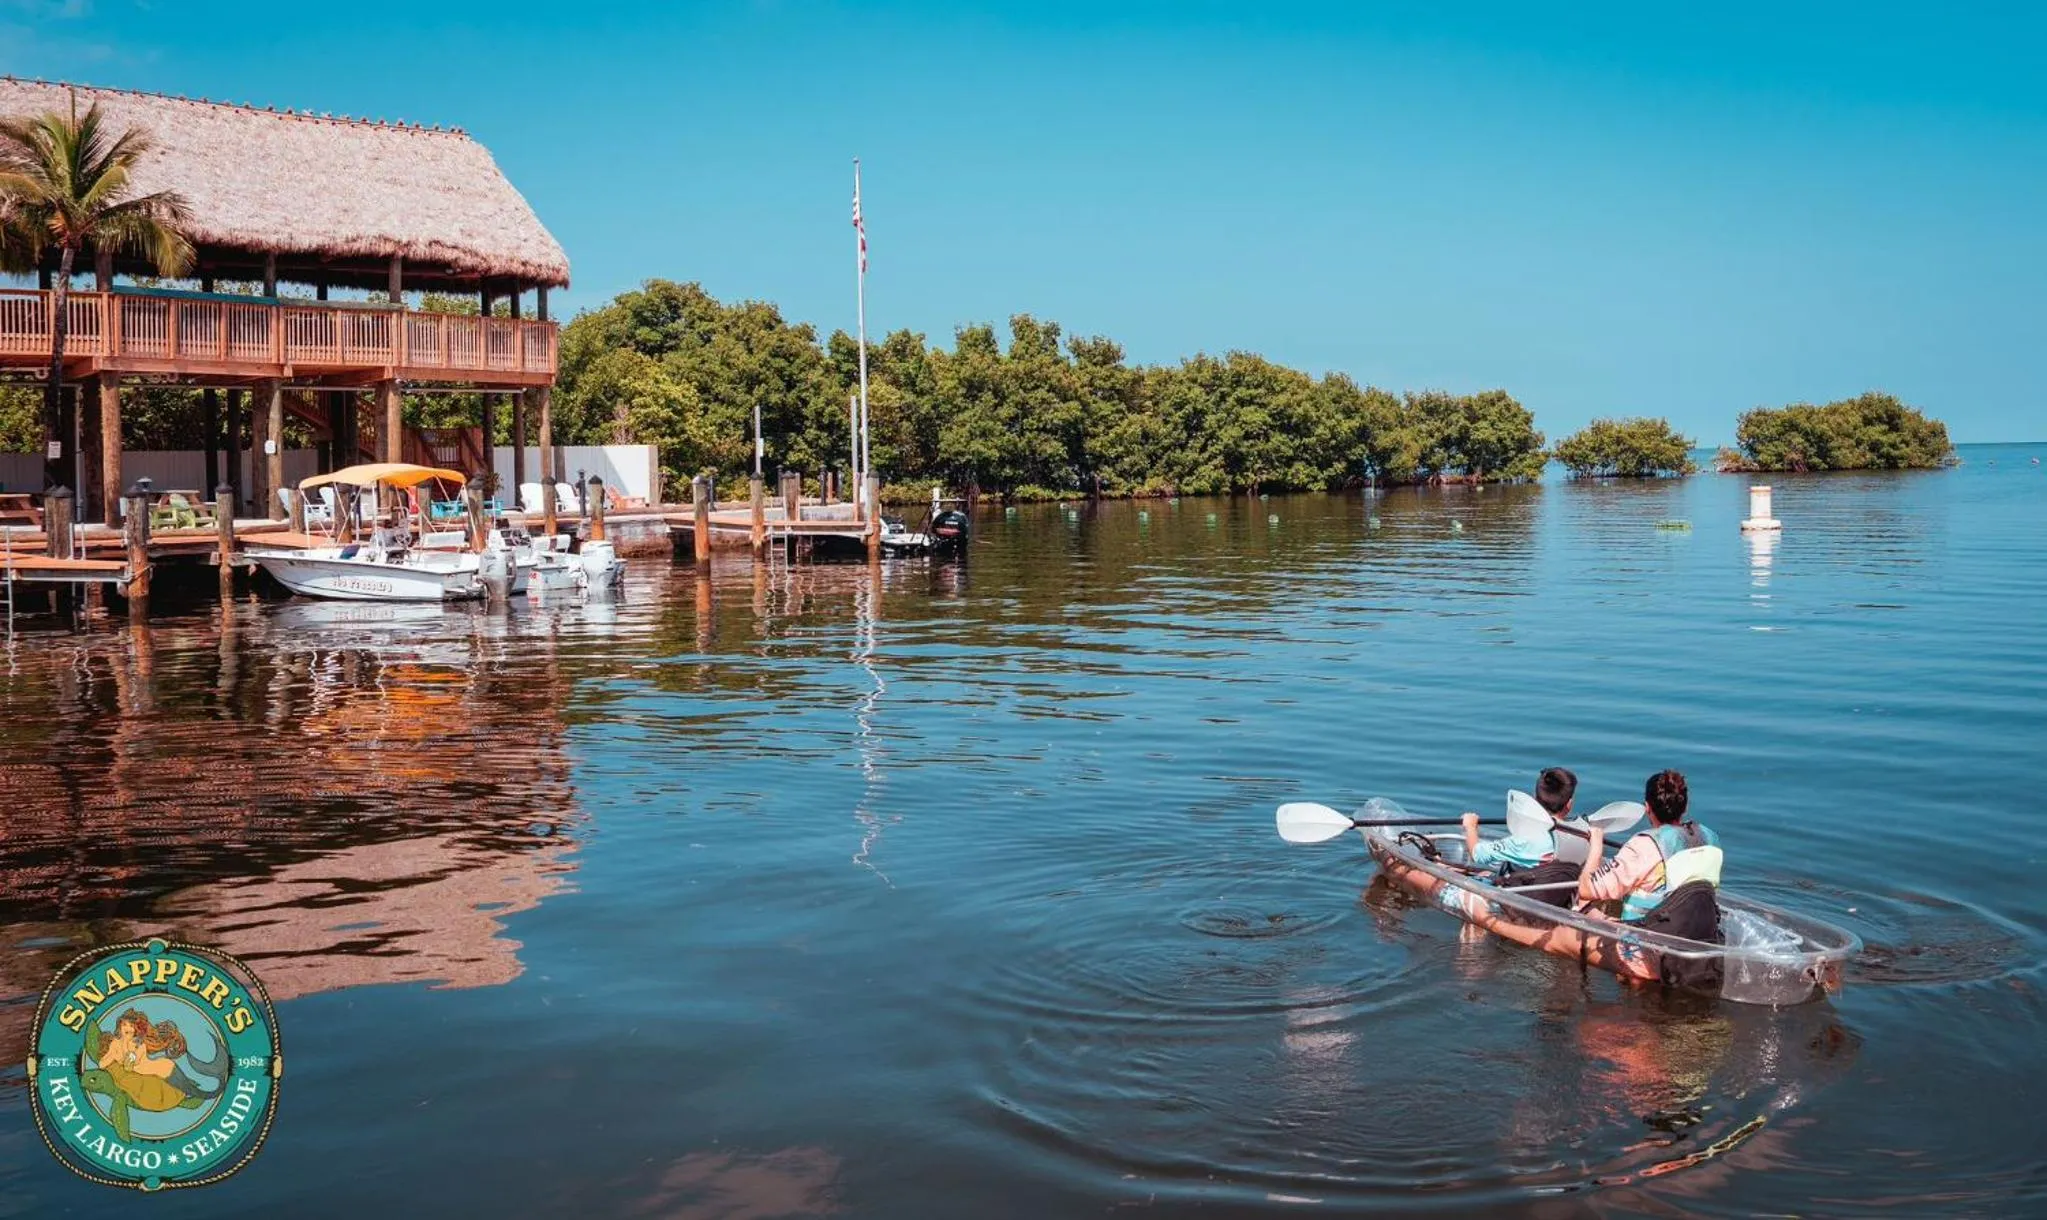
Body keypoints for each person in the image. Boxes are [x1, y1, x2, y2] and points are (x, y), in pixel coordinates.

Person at [1576, 770, 1721, 920]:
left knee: (1584, 904)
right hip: (1696, 927)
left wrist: (1596, 846)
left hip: (1647, 934)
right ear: (1685, 808)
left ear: (1647, 808)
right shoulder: (1709, 838)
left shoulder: (1643, 846)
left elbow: (1586, 889)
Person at [1460, 766, 1577, 871]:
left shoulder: (1523, 841)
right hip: (1556, 890)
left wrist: (1470, 826)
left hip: (1516, 891)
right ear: (1569, 805)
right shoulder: (1583, 835)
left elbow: (1478, 855)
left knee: (1443, 877)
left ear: (1534, 798)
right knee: (1485, 873)